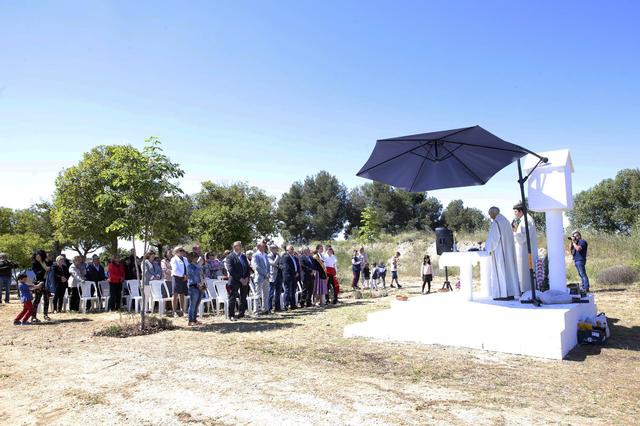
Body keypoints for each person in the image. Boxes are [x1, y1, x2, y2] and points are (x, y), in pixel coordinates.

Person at [483, 206, 520, 300]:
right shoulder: (505, 220)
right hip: (509, 251)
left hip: (500, 251)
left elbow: (493, 238)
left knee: (501, 271)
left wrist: (487, 248)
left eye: (490, 214)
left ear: (493, 213)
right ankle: (510, 293)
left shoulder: (496, 222)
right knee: (509, 272)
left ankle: (503, 294)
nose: (490, 216)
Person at [512, 203, 539, 293]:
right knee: (523, 271)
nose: (515, 214)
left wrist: (513, 233)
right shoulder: (524, 220)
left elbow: (524, 237)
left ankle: (528, 291)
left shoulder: (527, 220)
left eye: (516, 211)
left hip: (526, 250)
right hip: (524, 249)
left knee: (526, 272)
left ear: (521, 211)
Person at [225, 241, 250, 321]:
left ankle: (241, 314)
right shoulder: (230, 256)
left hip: (245, 280)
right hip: (234, 280)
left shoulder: (243, 256)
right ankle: (231, 315)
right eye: (237, 245)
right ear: (234, 247)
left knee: (243, 297)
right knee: (233, 298)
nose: (239, 247)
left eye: (240, 245)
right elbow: (231, 270)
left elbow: (247, 268)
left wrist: (247, 278)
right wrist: (240, 279)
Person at [31, 251, 51, 321]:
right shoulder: (34, 264)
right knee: (37, 299)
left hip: (46, 283)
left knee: (47, 299)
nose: (38, 258)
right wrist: (45, 269)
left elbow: (51, 268)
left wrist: (49, 268)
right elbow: (38, 273)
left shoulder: (46, 262)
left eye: (39, 256)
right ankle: (33, 316)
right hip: (39, 283)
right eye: (36, 257)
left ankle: (46, 315)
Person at [170, 246, 189, 317]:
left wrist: (187, 275)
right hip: (177, 278)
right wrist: (183, 275)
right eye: (180, 250)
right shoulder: (173, 259)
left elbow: (187, 267)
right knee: (175, 294)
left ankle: (182, 311)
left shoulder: (185, 259)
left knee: (182, 294)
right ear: (176, 252)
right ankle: (174, 312)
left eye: (182, 250)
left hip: (184, 278)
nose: (182, 252)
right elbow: (175, 269)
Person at [280, 244, 300, 310]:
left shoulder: (294, 257)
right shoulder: (286, 257)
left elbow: (297, 266)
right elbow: (287, 267)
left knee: (293, 291)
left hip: (294, 276)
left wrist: (297, 272)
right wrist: (294, 273)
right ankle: (286, 305)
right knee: (287, 290)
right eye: (291, 249)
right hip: (288, 276)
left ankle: (293, 305)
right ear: (287, 250)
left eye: (293, 249)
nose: (292, 250)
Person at [186, 251, 204, 326]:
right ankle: (190, 320)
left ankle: (194, 319)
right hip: (193, 286)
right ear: (191, 258)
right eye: (195, 257)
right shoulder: (190, 266)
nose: (196, 258)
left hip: (200, 286)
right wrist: (199, 265)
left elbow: (201, 275)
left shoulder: (198, 265)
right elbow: (193, 274)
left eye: (197, 256)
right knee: (193, 304)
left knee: (197, 304)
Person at [252, 242, 270, 314]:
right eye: (263, 246)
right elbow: (256, 267)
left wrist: (268, 273)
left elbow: (268, 265)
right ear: (258, 247)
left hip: (266, 277)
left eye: (265, 246)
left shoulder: (265, 255)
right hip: (259, 277)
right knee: (257, 294)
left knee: (266, 294)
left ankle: (265, 309)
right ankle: (256, 311)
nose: (264, 247)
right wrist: (265, 274)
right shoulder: (255, 255)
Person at [266, 244, 282, 313]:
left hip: (279, 275)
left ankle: (277, 307)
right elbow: (273, 263)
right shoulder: (269, 256)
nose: (276, 249)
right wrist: (278, 257)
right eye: (275, 248)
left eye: (276, 248)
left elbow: (280, 264)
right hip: (272, 276)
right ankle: (269, 308)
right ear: (271, 249)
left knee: (278, 292)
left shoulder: (278, 255)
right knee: (271, 293)